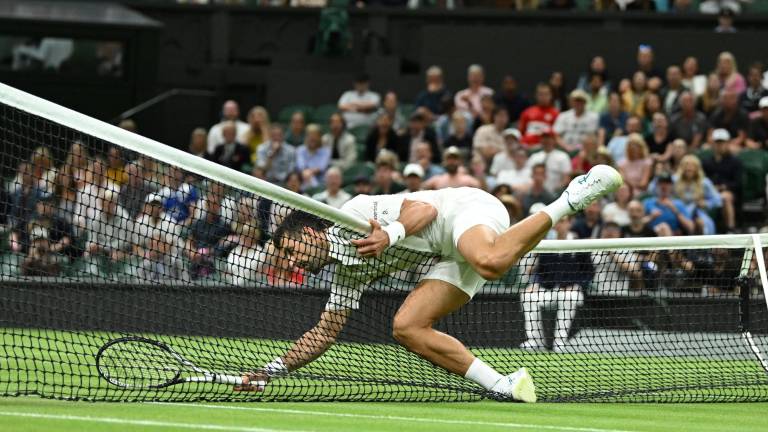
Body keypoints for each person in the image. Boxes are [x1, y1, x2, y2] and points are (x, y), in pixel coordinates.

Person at [237, 164, 623, 402]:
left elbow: (425, 208)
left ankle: (569, 199)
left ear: (309, 233)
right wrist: (269, 373)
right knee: (407, 327)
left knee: (489, 261)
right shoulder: (347, 273)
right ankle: (502, 384)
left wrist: (390, 234)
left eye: (289, 250)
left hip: (464, 211)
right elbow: (324, 332)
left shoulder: (351, 215)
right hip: (446, 253)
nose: (290, 262)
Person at [519, 215, 593, 353]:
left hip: (572, 291)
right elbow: (541, 272)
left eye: (562, 221)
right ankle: (535, 341)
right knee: (527, 296)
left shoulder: (579, 244)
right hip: (549, 290)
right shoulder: (548, 244)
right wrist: (535, 283)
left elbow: (588, 273)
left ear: (570, 222)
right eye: (557, 221)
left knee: (568, 297)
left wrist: (577, 284)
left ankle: (560, 342)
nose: (559, 224)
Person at [702, 129, 741, 232]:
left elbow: (738, 183)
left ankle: (730, 228)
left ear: (727, 143)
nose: (719, 145)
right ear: (713, 144)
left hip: (728, 192)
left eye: (722, 142)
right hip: (708, 192)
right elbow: (702, 179)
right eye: (717, 143)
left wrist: (723, 187)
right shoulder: (706, 162)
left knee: (725, 197)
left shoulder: (735, 162)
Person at [590, 222, 643, 296]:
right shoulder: (594, 249)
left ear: (619, 233)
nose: (610, 232)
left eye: (614, 230)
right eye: (607, 229)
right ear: (602, 231)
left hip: (621, 295)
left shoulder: (626, 250)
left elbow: (636, 272)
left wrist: (612, 254)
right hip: (596, 294)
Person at [526, 129, 571, 194]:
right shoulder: (534, 156)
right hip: (535, 191)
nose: (546, 140)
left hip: (554, 192)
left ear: (554, 140)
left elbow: (566, 178)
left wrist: (558, 191)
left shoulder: (562, 156)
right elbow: (528, 175)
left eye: (548, 138)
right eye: (544, 138)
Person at [296, 124, 331, 190]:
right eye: (310, 135)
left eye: (315, 135)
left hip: (321, 184)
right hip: (303, 180)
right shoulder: (300, 150)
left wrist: (309, 173)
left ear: (319, 137)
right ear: (306, 137)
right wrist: (307, 173)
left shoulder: (326, 151)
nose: (312, 138)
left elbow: (321, 167)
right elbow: (301, 166)